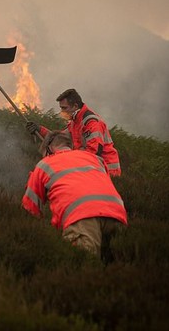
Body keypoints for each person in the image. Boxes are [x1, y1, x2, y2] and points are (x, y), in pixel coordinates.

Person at [22, 131, 127, 260]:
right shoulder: (94, 158)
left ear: (49, 149)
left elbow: (30, 209)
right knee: (119, 265)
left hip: (82, 218)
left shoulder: (44, 164)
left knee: (82, 267)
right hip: (116, 214)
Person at [26, 88, 121, 176]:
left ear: (75, 106)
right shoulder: (74, 123)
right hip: (93, 169)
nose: (62, 112)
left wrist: (69, 161)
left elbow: (93, 152)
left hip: (107, 172)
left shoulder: (91, 122)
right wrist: (39, 129)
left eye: (64, 108)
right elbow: (59, 139)